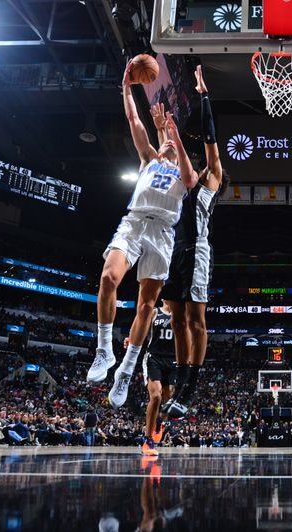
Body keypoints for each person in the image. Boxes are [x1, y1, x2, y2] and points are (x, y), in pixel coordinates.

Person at [86, 58, 198, 383]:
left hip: (162, 233)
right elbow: (134, 118)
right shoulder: (149, 158)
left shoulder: (182, 171)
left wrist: (173, 136)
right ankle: (105, 349)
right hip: (135, 223)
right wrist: (125, 87)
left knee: (147, 307)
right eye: (163, 140)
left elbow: (191, 180)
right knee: (108, 278)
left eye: (171, 144)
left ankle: (127, 367)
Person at [161, 65, 228, 419]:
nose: (205, 165)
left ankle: (191, 384)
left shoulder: (212, 181)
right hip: (175, 252)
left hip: (198, 252)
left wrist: (203, 96)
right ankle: (180, 371)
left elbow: (210, 139)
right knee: (176, 318)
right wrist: (167, 131)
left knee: (196, 319)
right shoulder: (187, 187)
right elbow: (177, 160)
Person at [134, 302, 178, 456]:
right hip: (154, 358)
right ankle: (148, 439)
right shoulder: (155, 312)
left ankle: (159, 421)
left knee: (168, 397)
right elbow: (141, 329)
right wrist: (131, 339)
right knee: (156, 396)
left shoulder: (181, 314)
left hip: (173, 360)